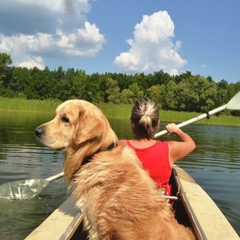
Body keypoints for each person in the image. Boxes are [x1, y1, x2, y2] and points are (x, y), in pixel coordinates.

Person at [120, 98, 196, 196]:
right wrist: (177, 130)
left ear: (131, 122)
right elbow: (191, 144)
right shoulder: (169, 150)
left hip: (125, 207)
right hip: (158, 209)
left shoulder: (118, 147)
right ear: (158, 123)